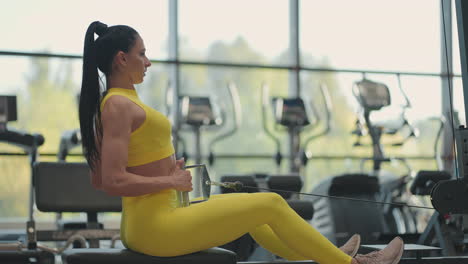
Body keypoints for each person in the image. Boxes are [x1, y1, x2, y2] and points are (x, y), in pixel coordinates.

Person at [78, 21, 404, 264]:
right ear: (121, 59)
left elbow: (100, 175)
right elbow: (111, 180)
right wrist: (169, 179)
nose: (147, 62)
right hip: (156, 227)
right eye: (142, 54)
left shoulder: (113, 103)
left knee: (258, 212)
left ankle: (327, 256)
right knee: (271, 203)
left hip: (156, 218)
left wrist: (163, 173)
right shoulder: (118, 105)